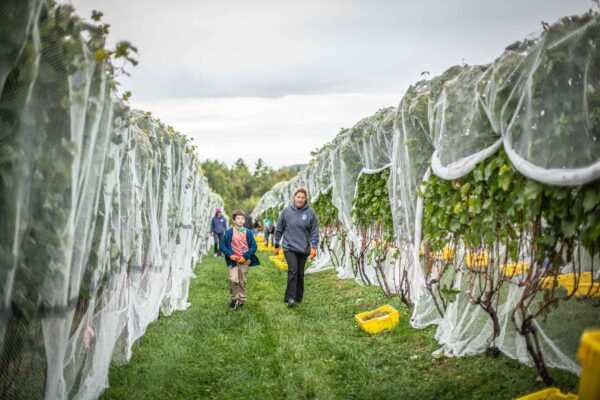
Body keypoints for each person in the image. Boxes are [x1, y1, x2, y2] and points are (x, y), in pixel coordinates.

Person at [274, 187, 319, 308]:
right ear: (294, 197)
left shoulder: (310, 212)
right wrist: (276, 244)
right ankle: (290, 298)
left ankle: (298, 297)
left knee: (300, 273)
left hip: (304, 248)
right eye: (298, 197)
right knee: (293, 270)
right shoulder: (286, 211)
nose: (300, 199)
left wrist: (314, 247)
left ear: (306, 199)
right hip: (289, 247)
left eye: (302, 198)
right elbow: (279, 229)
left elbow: (314, 231)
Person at [220, 210, 260, 310]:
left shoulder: (248, 232)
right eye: (238, 218)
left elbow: (254, 246)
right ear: (234, 220)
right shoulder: (229, 232)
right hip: (233, 260)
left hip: (244, 260)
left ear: (244, 220)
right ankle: (234, 299)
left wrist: (245, 256)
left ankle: (241, 300)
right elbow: (222, 245)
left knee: (242, 281)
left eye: (242, 218)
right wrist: (230, 255)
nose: (240, 220)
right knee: (233, 279)